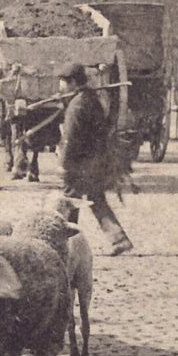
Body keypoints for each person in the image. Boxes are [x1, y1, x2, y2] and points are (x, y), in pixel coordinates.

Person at [57, 62, 134, 256]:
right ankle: (118, 239)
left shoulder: (76, 106)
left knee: (69, 202)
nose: (61, 87)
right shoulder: (93, 99)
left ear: (73, 82)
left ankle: (65, 245)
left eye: (63, 83)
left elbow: (70, 138)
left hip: (79, 164)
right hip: (96, 160)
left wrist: (64, 164)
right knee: (96, 199)